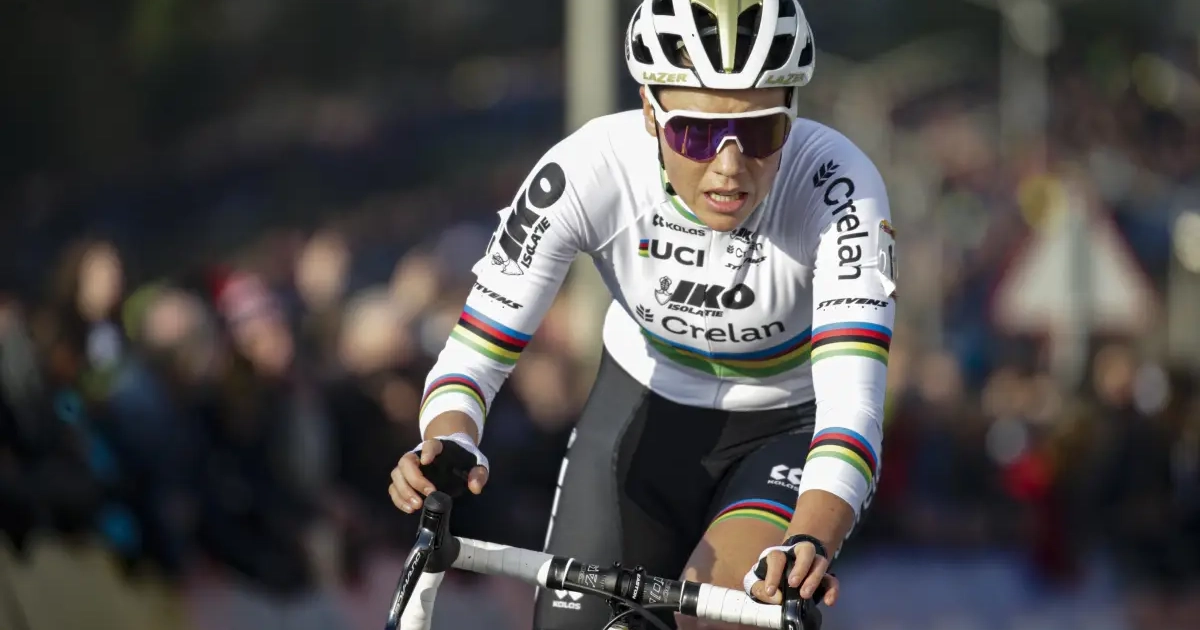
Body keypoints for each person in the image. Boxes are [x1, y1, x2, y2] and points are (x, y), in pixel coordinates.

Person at [389, 1, 897, 628]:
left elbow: (854, 407)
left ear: (792, 114)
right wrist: (452, 437)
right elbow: (475, 353)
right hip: (639, 408)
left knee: (722, 614)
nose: (729, 167)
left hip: (787, 428)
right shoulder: (591, 169)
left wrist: (809, 540)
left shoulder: (841, 189)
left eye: (760, 132)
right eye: (696, 134)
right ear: (651, 111)